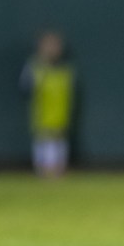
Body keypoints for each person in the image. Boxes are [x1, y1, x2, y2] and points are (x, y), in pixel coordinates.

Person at [19, 30, 75, 178]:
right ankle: (43, 173)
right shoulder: (34, 68)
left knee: (59, 146)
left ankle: (58, 173)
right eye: (49, 45)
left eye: (55, 45)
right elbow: (25, 89)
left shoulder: (66, 69)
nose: (52, 49)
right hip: (42, 118)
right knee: (44, 146)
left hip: (61, 118)